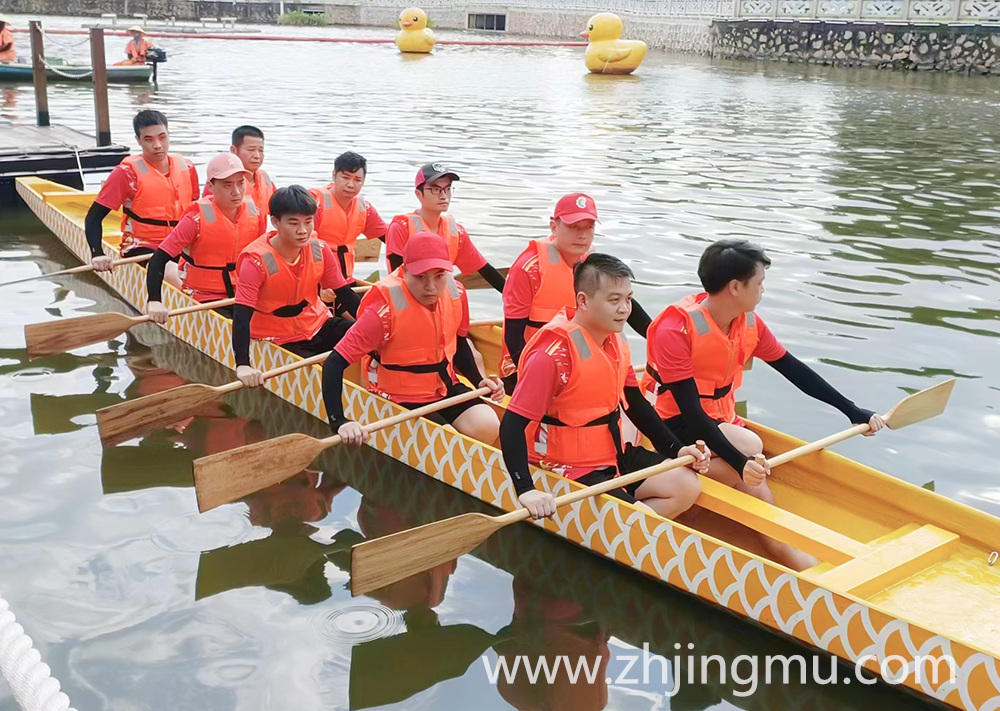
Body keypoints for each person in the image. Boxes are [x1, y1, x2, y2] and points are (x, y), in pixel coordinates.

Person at [642, 238, 886, 570]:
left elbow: (794, 370)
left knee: (766, 509)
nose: (762, 291)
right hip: (674, 427)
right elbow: (690, 411)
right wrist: (741, 462)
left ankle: (814, 576)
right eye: (759, 283)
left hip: (722, 426)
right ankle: (688, 504)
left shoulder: (749, 323)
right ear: (735, 287)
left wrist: (851, 410)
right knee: (749, 445)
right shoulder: (675, 329)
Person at [500, 253, 708, 522]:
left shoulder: (615, 341)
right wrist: (525, 489)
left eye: (628, 299)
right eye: (614, 300)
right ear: (583, 301)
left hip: (613, 455)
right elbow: (512, 425)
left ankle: (627, 524)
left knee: (687, 485)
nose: (625, 309)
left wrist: (677, 449)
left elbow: (635, 403)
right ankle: (632, 524)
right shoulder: (552, 356)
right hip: (567, 466)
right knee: (642, 519)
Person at [323, 231, 506, 447]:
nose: (430, 287)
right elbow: (334, 363)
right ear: (405, 271)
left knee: (489, 425)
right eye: (421, 277)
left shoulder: (456, 293)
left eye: (439, 276)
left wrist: (478, 380)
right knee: (446, 442)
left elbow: (459, 346)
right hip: (400, 396)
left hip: (445, 387)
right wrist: (339, 421)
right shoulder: (383, 310)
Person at [500, 193, 652, 392]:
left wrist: (660, 338)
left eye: (589, 227)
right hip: (528, 365)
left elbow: (626, 305)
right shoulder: (528, 269)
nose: (582, 236)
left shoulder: (592, 264)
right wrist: (534, 377)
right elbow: (513, 336)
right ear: (553, 226)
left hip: (579, 361)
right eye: (573, 227)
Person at [232, 186, 362, 387]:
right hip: (278, 336)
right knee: (311, 368)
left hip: (316, 322)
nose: (303, 231)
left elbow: (344, 292)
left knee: (364, 336)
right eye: (293, 223)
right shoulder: (255, 261)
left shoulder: (319, 248)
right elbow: (241, 315)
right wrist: (242, 365)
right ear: (275, 222)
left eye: (308, 222)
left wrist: (372, 325)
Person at [85, 110, 198, 288]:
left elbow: (197, 214)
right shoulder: (126, 174)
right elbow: (93, 218)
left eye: (162, 137)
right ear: (138, 140)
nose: (157, 145)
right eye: (149, 139)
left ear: (169, 135)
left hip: (180, 244)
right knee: (171, 272)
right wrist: (97, 253)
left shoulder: (187, 167)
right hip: (143, 246)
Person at [145, 153, 266, 318]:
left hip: (243, 292)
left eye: (240, 183)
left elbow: (263, 259)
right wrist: (154, 301)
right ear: (210, 186)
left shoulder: (255, 213)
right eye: (227, 185)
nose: (236, 192)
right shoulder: (195, 219)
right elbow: (158, 259)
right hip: (205, 295)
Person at [385, 163, 506, 293]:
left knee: (458, 291)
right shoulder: (401, 228)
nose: (443, 196)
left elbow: (484, 270)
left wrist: (513, 295)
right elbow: (396, 276)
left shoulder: (456, 233)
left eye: (447, 189)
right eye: (435, 190)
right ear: (419, 194)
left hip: (442, 300)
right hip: (410, 299)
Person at [310, 151, 387, 286]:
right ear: (334, 175)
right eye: (345, 178)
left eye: (357, 180)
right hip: (315, 280)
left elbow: (388, 236)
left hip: (346, 280)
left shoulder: (364, 208)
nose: (351, 185)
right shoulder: (315, 202)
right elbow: (303, 243)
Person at [204, 126, 275, 218]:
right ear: (234, 150)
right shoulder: (219, 180)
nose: (257, 156)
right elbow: (208, 217)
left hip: (258, 230)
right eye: (251, 150)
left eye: (261, 150)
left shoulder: (265, 179)